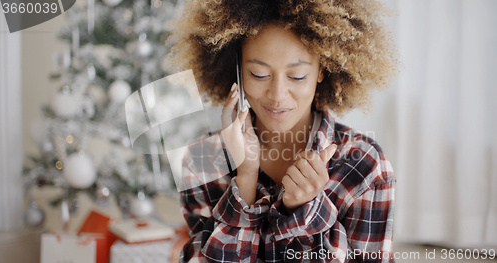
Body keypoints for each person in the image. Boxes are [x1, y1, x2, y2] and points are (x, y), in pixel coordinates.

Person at [166, 0, 398, 262]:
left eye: (297, 76)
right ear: (238, 71)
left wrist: (305, 211)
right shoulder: (203, 160)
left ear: (322, 69)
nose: (277, 96)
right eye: (258, 74)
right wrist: (245, 180)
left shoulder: (366, 167)